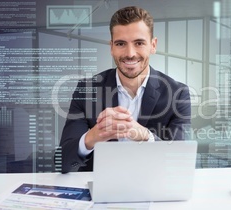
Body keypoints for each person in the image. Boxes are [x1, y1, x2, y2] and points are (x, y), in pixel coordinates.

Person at [58, 6, 191, 173]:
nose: (130, 53)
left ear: (153, 45)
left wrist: (145, 136)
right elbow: (62, 161)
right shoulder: (87, 90)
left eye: (139, 43)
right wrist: (92, 137)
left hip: (153, 187)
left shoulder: (178, 93)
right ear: (111, 47)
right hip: (99, 189)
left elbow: (181, 160)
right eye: (121, 44)